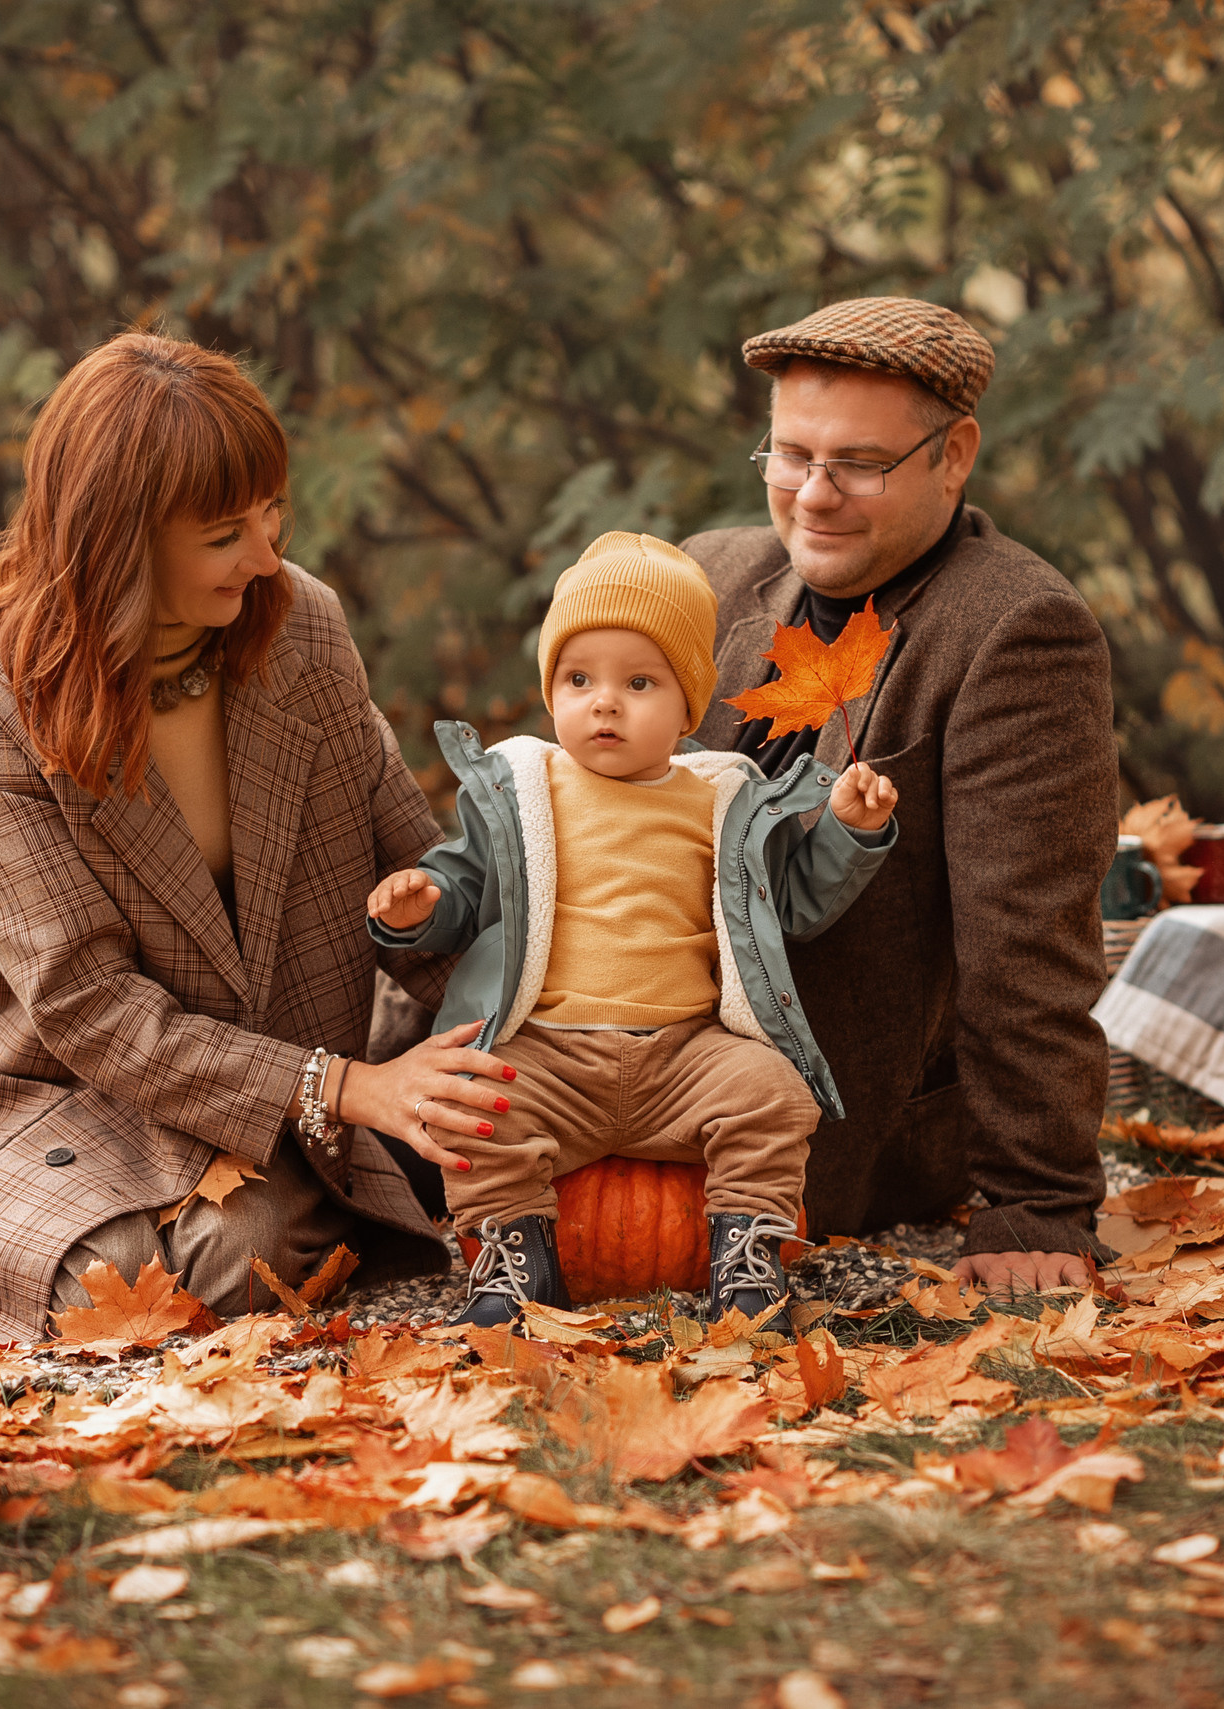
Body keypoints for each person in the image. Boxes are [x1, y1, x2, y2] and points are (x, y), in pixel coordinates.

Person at [0, 331, 517, 1343]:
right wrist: (348, 1089)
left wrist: (517, 1057)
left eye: (272, 515)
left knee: (248, 1239)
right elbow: (87, 1007)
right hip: (69, 1092)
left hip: (268, 1088)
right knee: (212, 1262)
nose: (266, 556)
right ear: (119, 540)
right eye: (226, 533)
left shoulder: (301, 627)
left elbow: (411, 866)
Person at [683, 297, 1118, 1291]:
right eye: (791, 455)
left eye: (860, 464)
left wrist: (1035, 1200)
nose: (814, 494)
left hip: (834, 1129)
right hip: (628, 1082)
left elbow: (1029, 943)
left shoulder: (1015, 630)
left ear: (953, 453)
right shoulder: (704, 576)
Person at [366, 533, 898, 1330]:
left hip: (685, 1051)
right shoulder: (522, 790)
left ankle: (747, 1258)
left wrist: (847, 834)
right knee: (471, 1103)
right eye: (579, 678)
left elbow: (787, 902)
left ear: (689, 706)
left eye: (638, 681)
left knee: (774, 1093)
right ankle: (514, 1261)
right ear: (551, 693)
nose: (604, 701)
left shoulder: (723, 801)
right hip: (549, 1051)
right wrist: (424, 903)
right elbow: (467, 886)